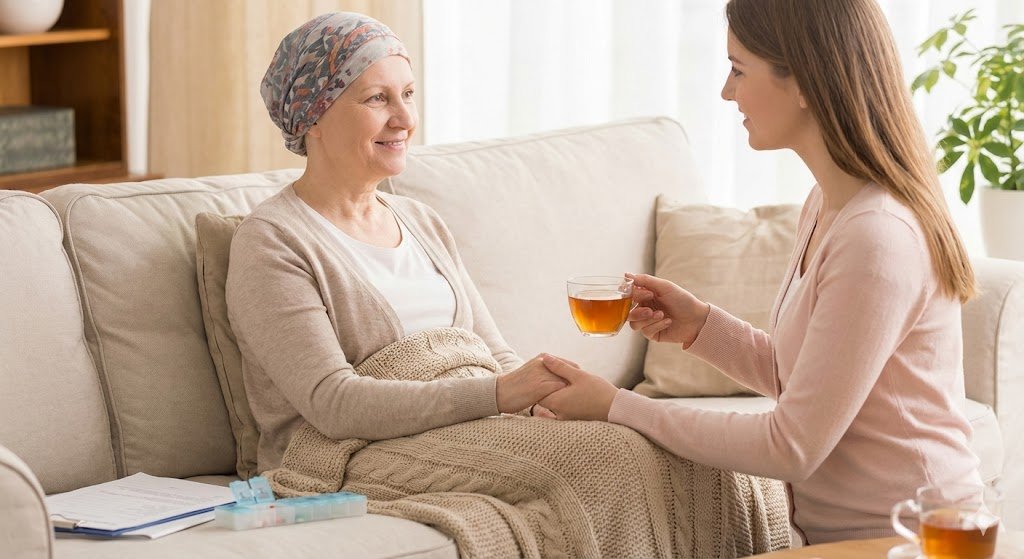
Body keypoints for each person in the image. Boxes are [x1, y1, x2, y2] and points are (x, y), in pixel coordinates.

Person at [539, 0, 981, 545]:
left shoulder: (877, 237)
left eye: (738, 69)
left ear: (803, 81)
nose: (727, 92)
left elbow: (792, 445)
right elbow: (804, 381)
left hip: (909, 540)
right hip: (840, 535)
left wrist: (619, 407)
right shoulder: (825, 204)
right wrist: (699, 326)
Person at [226, 12, 563, 473]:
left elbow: (494, 355)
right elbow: (333, 403)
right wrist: (499, 394)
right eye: (377, 98)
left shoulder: (422, 221)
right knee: (591, 461)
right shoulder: (272, 242)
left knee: (629, 443)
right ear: (313, 118)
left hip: (461, 434)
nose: (404, 118)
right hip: (344, 456)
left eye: (407, 94)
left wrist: (538, 400)